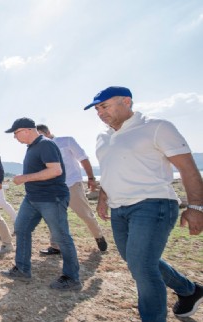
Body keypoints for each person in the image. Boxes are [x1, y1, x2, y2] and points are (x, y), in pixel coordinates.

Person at [84, 86, 203, 320]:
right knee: (136, 260)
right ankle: (189, 290)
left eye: (104, 106)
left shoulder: (157, 127)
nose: (100, 112)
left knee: (142, 267)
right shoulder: (103, 137)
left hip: (153, 204)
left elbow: (188, 168)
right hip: (119, 209)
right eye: (97, 109)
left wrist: (196, 206)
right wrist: (103, 198)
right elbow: (110, 169)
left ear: (126, 102)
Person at [0, 118, 82, 291]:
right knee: (21, 229)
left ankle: (72, 278)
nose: (15, 138)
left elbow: (56, 170)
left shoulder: (46, 145)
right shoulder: (32, 147)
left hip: (51, 198)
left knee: (61, 237)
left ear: (26, 130)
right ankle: (22, 269)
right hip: (32, 198)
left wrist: (24, 178)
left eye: (15, 133)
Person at [35, 124, 108, 254]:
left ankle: (98, 236)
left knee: (85, 214)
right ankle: (56, 246)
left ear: (48, 132)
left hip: (72, 184)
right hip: (53, 188)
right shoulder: (39, 149)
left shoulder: (66, 141)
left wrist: (91, 178)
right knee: (54, 217)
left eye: (40, 135)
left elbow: (83, 158)